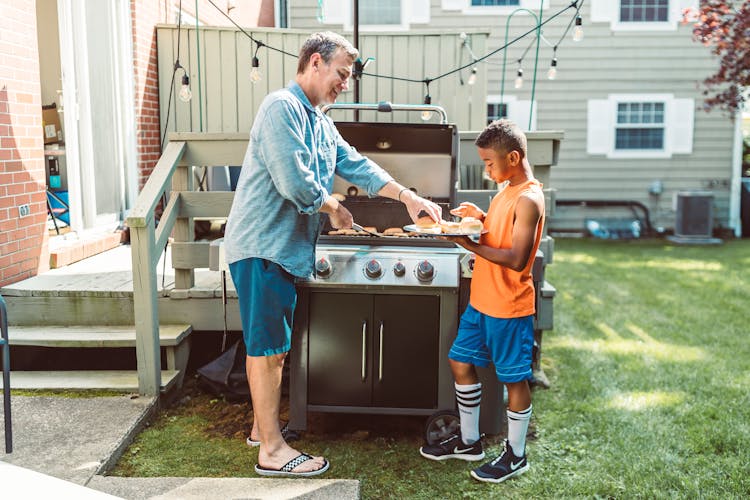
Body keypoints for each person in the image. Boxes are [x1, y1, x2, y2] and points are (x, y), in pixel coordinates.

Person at [223, 31, 442, 478]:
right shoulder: (281, 108)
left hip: (281, 248)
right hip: (262, 244)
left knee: (274, 348)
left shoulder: (320, 120)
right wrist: (335, 207)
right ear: (316, 62)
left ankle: (259, 428)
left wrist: (407, 198)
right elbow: (295, 181)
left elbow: (356, 163)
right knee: (268, 350)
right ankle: (271, 450)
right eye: (341, 73)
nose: (345, 83)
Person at [419, 119, 545, 484]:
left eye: (490, 163)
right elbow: (502, 229)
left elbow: (518, 257)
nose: (487, 169)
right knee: (460, 361)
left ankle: (516, 455)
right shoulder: (507, 192)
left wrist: (468, 243)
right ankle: (470, 442)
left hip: (509, 305)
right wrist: (481, 218)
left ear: (514, 157)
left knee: (515, 380)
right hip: (483, 300)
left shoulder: (530, 198)